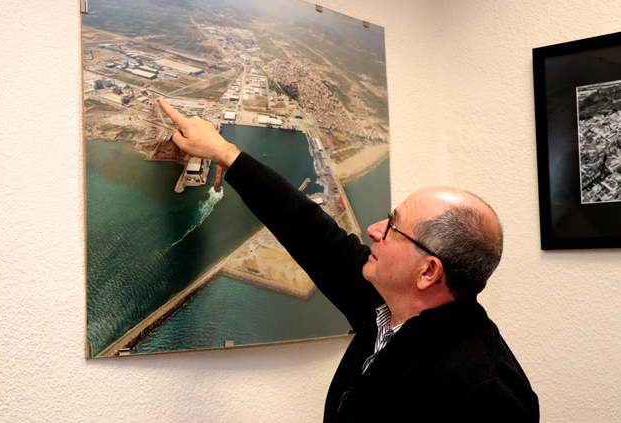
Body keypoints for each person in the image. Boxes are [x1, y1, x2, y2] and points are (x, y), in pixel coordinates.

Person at [158, 98, 540, 422]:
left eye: (393, 227)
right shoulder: (385, 306)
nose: (374, 229)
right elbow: (305, 227)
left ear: (427, 272)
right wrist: (224, 152)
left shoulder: (487, 393)